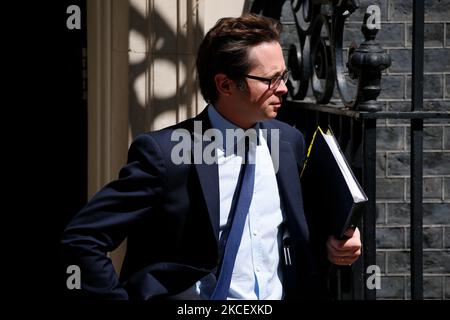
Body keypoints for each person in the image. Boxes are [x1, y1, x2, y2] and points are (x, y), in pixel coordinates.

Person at [61, 13, 361, 300]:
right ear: (225, 85)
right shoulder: (164, 154)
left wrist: (335, 242)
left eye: (283, 75)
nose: (283, 88)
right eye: (270, 80)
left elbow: (298, 226)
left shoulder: (288, 140)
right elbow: (83, 239)